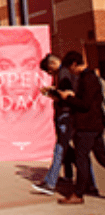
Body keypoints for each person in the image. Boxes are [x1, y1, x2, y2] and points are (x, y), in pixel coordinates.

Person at [57, 54, 105, 205]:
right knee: (102, 157)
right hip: (95, 124)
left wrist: (68, 98)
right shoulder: (90, 77)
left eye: (70, 68)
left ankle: (78, 193)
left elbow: (85, 104)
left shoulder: (88, 79)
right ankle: (89, 188)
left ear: (74, 63)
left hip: (87, 126)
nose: (70, 72)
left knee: (81, 158)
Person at [32, 53, 79, 196]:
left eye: (49, 70)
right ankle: (73, 177)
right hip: (64, 114)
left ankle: (51, 183)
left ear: (53, 64)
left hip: (66, 115)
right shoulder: (62, 73)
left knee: (60, 148)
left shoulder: (64, 73)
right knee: (69, 150)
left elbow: (66, 95)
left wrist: (52, 92)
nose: (49, 73)